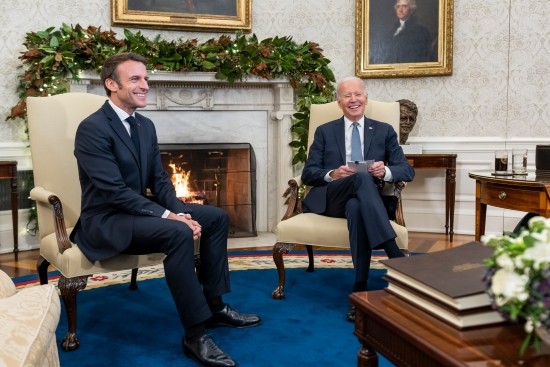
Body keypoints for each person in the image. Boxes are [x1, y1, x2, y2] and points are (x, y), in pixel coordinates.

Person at [70, 52, 260, 367]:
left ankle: (214, 306)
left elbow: (159, 180)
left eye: (146, 78)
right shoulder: (92, 128)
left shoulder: (145, 125)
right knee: (176, 233)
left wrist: (179, 211)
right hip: (108, 221)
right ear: (111, 84)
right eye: (135, 79)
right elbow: (113, 192)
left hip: (139, 215)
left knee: (215, 218)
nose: (145, 85)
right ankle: (195, 335)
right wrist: (170, 218)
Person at [301, 76, 415, 321]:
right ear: (339, 101)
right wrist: (333, 173)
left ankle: (360, 288)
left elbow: (407, 171)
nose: (353, 100)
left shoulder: (384, 131)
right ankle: (394, 253)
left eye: (357, 94)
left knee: (357, 205)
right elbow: (308, 173)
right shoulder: (325, 131)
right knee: (360, 179)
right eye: (346, 96)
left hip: (365, 201)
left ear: (365, 97)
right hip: (333, 197)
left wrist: (384, 171)